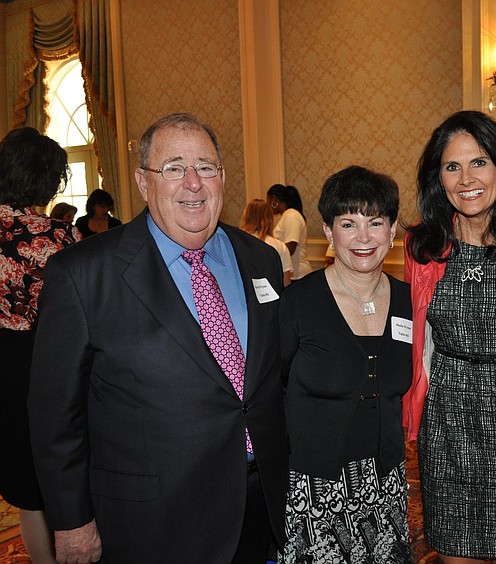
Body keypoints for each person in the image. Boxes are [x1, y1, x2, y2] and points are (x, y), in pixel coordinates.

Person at [28, 113, 289, 563]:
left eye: (206, 167)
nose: (193, 183)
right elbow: (55, 414)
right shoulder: (83, 273)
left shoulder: (260, 259)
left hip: (257, 501)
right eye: (173, 168)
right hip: (152, 520)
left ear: (223, 177)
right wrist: (71, 520)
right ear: (143, 182)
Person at [403, 110, 496, 563]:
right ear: (438, 179)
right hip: (446, 415)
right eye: (452, 166)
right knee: (453, 551)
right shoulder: (422, 247)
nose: (466, 178)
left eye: (479, 162)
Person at [279, 165, 412, 562]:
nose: (363, 237)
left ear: (392, 232)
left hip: (386, 482)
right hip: (313, 487)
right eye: (348, 223)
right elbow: (271, 388)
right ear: (329, 232)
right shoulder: (298, 302)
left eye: (375, 222)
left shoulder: (411, 302)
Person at [0, 127, 81, 563]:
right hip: (47, 361)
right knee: (61, 472)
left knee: (26, 489)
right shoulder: (57, 237)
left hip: (3, 365)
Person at [240, 198, 293, 286]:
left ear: (246, 216)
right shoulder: (280, 246)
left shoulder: (236, 242)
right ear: (269, 218)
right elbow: (286, 284)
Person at [267, 184, 312, 279]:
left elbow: (290, 248)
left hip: (297, 274)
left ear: (274, 200)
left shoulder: (292, 215)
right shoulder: (286, 216)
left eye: (268, 201)